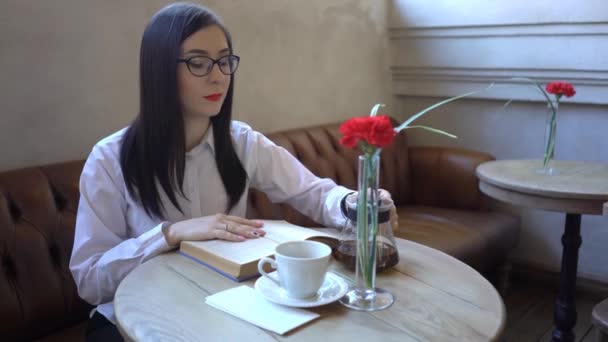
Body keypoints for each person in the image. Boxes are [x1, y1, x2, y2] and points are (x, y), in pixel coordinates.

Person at [70, 3, 397, 341]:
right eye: (198, 63)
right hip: (131, 318)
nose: (219, 76)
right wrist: (171, 233)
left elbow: (312, 192)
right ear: (159, 71)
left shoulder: (242, 143)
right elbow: (89, 280)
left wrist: (355, 203)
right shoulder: (110, 160)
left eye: (225, 61)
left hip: (222, 308)